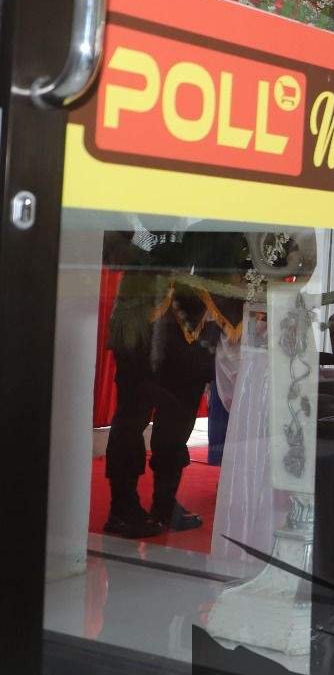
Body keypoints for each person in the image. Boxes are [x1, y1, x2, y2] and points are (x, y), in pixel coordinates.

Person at [103, 230, 241, 538]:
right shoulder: (139, 204)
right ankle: (122, 506)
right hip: (141, 315)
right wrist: (148, 259)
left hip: (195, 319)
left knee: (179, 417)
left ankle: (165, 503)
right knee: (133, 414)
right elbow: (109, 244)